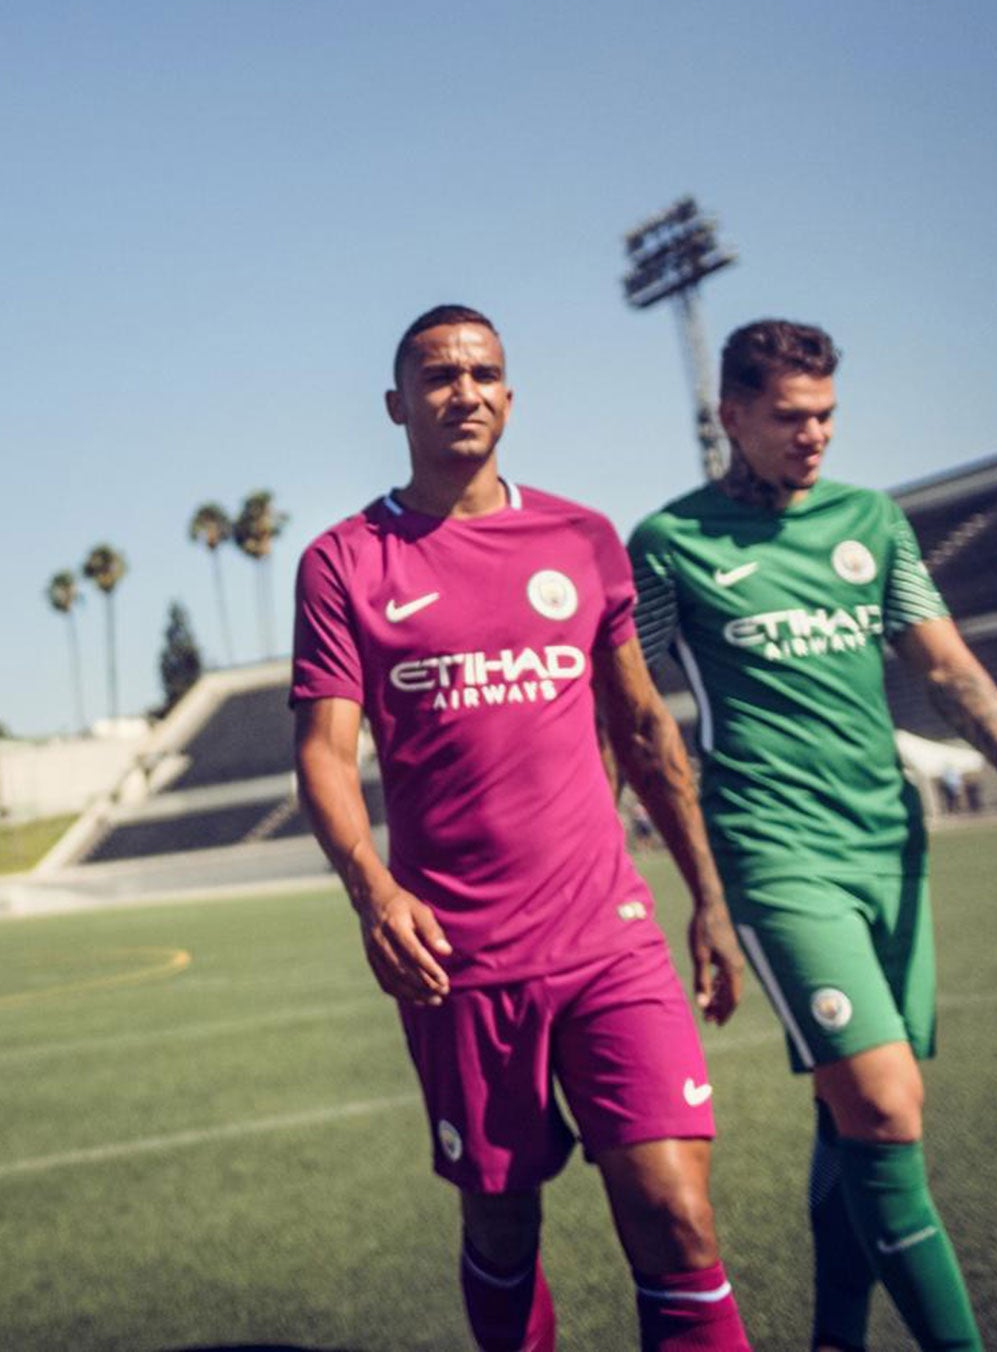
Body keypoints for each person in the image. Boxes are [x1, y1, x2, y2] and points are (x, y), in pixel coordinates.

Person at [293, 304, 753, 1351]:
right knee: (503, 1224)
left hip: (607, 939)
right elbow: (323, 752)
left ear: (509, 395)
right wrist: (372, 890)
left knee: (676, 1216)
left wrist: (708, 905)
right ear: (395, 404)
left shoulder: (579, 538)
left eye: (484, 373)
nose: (464, 391)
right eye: (439, 376)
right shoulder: (343, 562)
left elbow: (640, 728)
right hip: (458, 958)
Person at [629, 319, 997, 1352]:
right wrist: (699, 890)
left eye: (826, 415)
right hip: (773, 852)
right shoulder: (667, 545)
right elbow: (630, 709)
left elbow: (943, 665)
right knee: (883, 1108)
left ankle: (834, 1342)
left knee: (850, 1127)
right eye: (789, 418)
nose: (813, 437)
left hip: (891, 846)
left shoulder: (870, 522)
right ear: (730, 416)